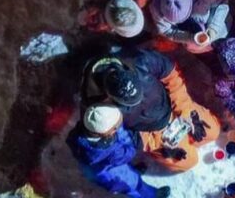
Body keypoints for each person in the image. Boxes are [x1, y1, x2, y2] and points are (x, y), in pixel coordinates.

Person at [82, 48, 220, 171]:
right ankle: (168, 151)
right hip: (153, 134)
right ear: (110, 97)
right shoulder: (99, 109)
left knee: (213, 132)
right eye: (130, 104)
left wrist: (185, 110)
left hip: (174, 107)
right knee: (190, 161)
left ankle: (188, 136)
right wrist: (157, 147)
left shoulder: (139, 60)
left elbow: (172, 77)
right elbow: (125, 137)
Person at [67, 103, 169, 198]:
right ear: (108, 133)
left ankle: (133, 171)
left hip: (97, 167)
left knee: (126, 170)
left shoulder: (85, 130)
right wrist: (134, 144)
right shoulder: (111, 151)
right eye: (117, 126)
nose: (119, 126)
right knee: (132, 183)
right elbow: (128, 154)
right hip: (112, 174)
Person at [148, 0, 231, 52]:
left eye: (189, 12)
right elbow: (167, 31)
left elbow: (224, 1)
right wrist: (189, 37)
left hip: (218, 15)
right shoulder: (157, 12)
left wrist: (214, 28)